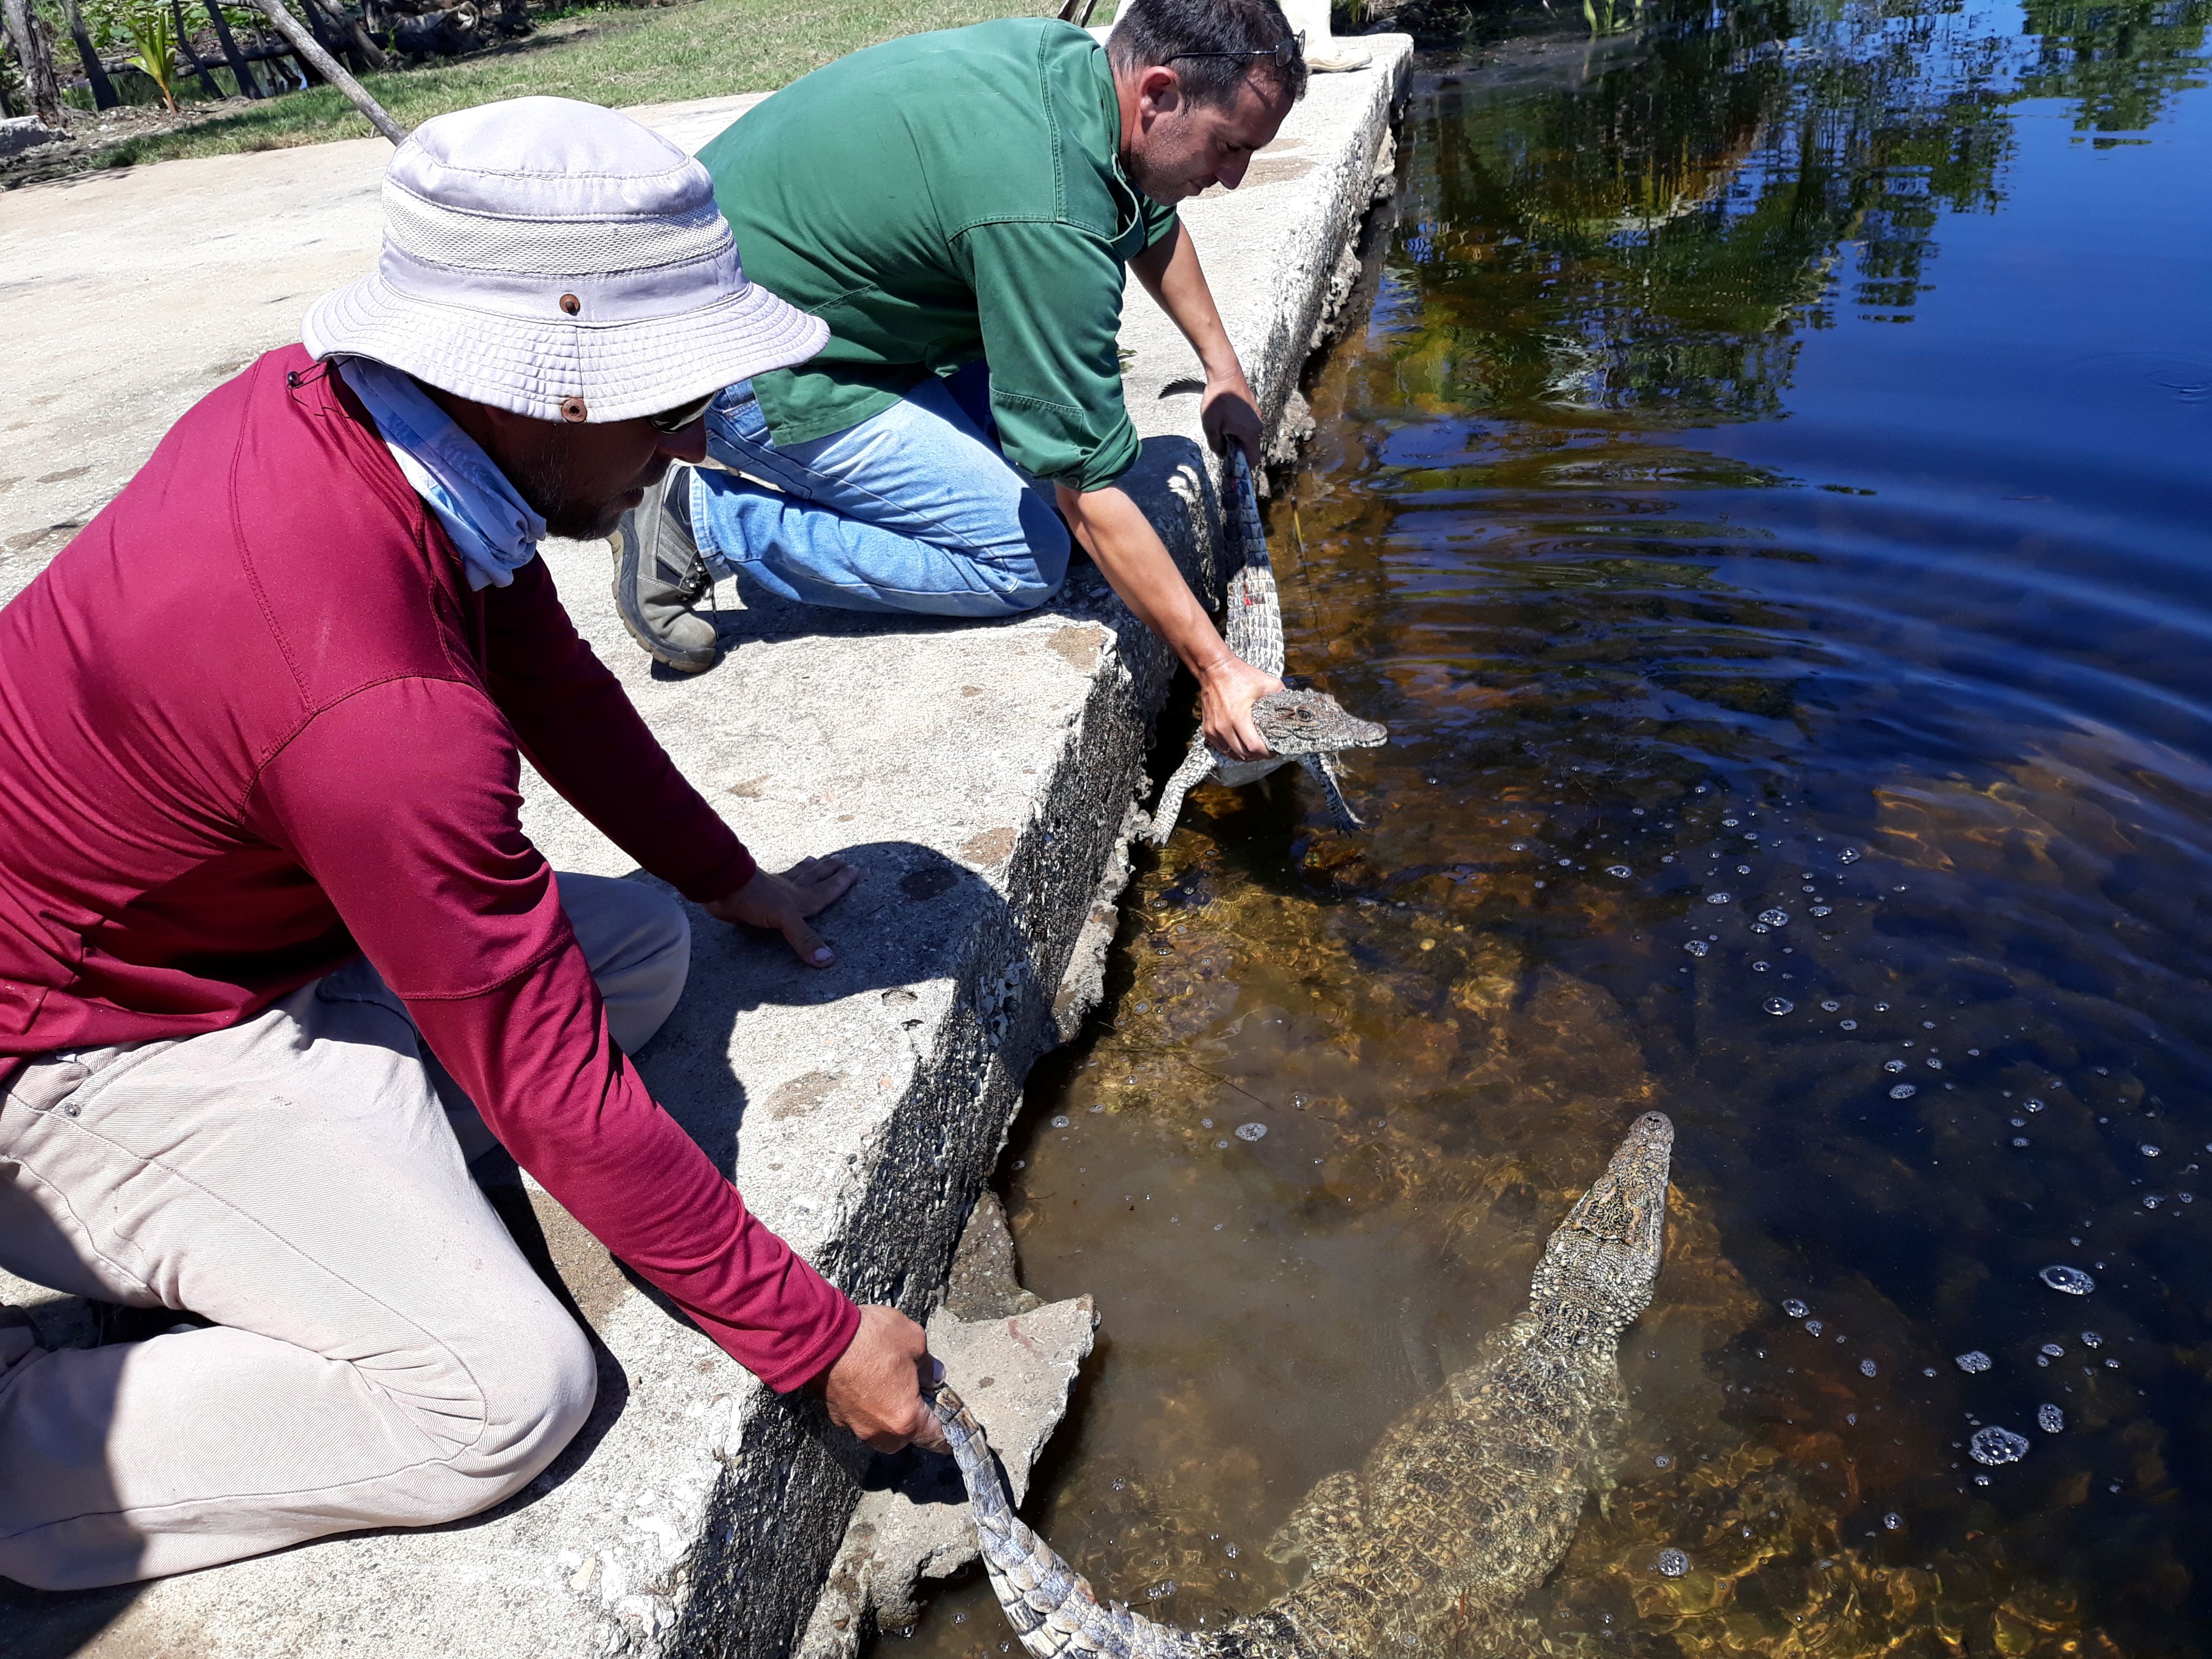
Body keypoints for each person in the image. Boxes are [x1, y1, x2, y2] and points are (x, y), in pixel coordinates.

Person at [0, 97, 943, 1593]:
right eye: (668, 394)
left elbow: (552, 676)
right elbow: (548, 1079)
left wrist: (724, 877)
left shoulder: (372, 421)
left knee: (641, 950)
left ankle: (336, 1174)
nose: (699, 436)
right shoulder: (375, 708)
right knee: (501, 1395)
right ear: (541, 387)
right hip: (69, 1051)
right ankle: (49, 1430)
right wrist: (810, 1337)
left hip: (236, 941)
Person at [612, 0, 1309, 763]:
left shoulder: (1074, 70)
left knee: (1060, 458)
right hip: (734, 357)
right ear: (1160, 93)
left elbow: (1151, 214)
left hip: (773, 294)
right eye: (1230, 147)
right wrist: (1217, 670)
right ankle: (700, 522)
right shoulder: (1049, 211)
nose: (1236, 179)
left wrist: (1224, 371)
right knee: (1023, 557)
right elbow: (1088, 486)